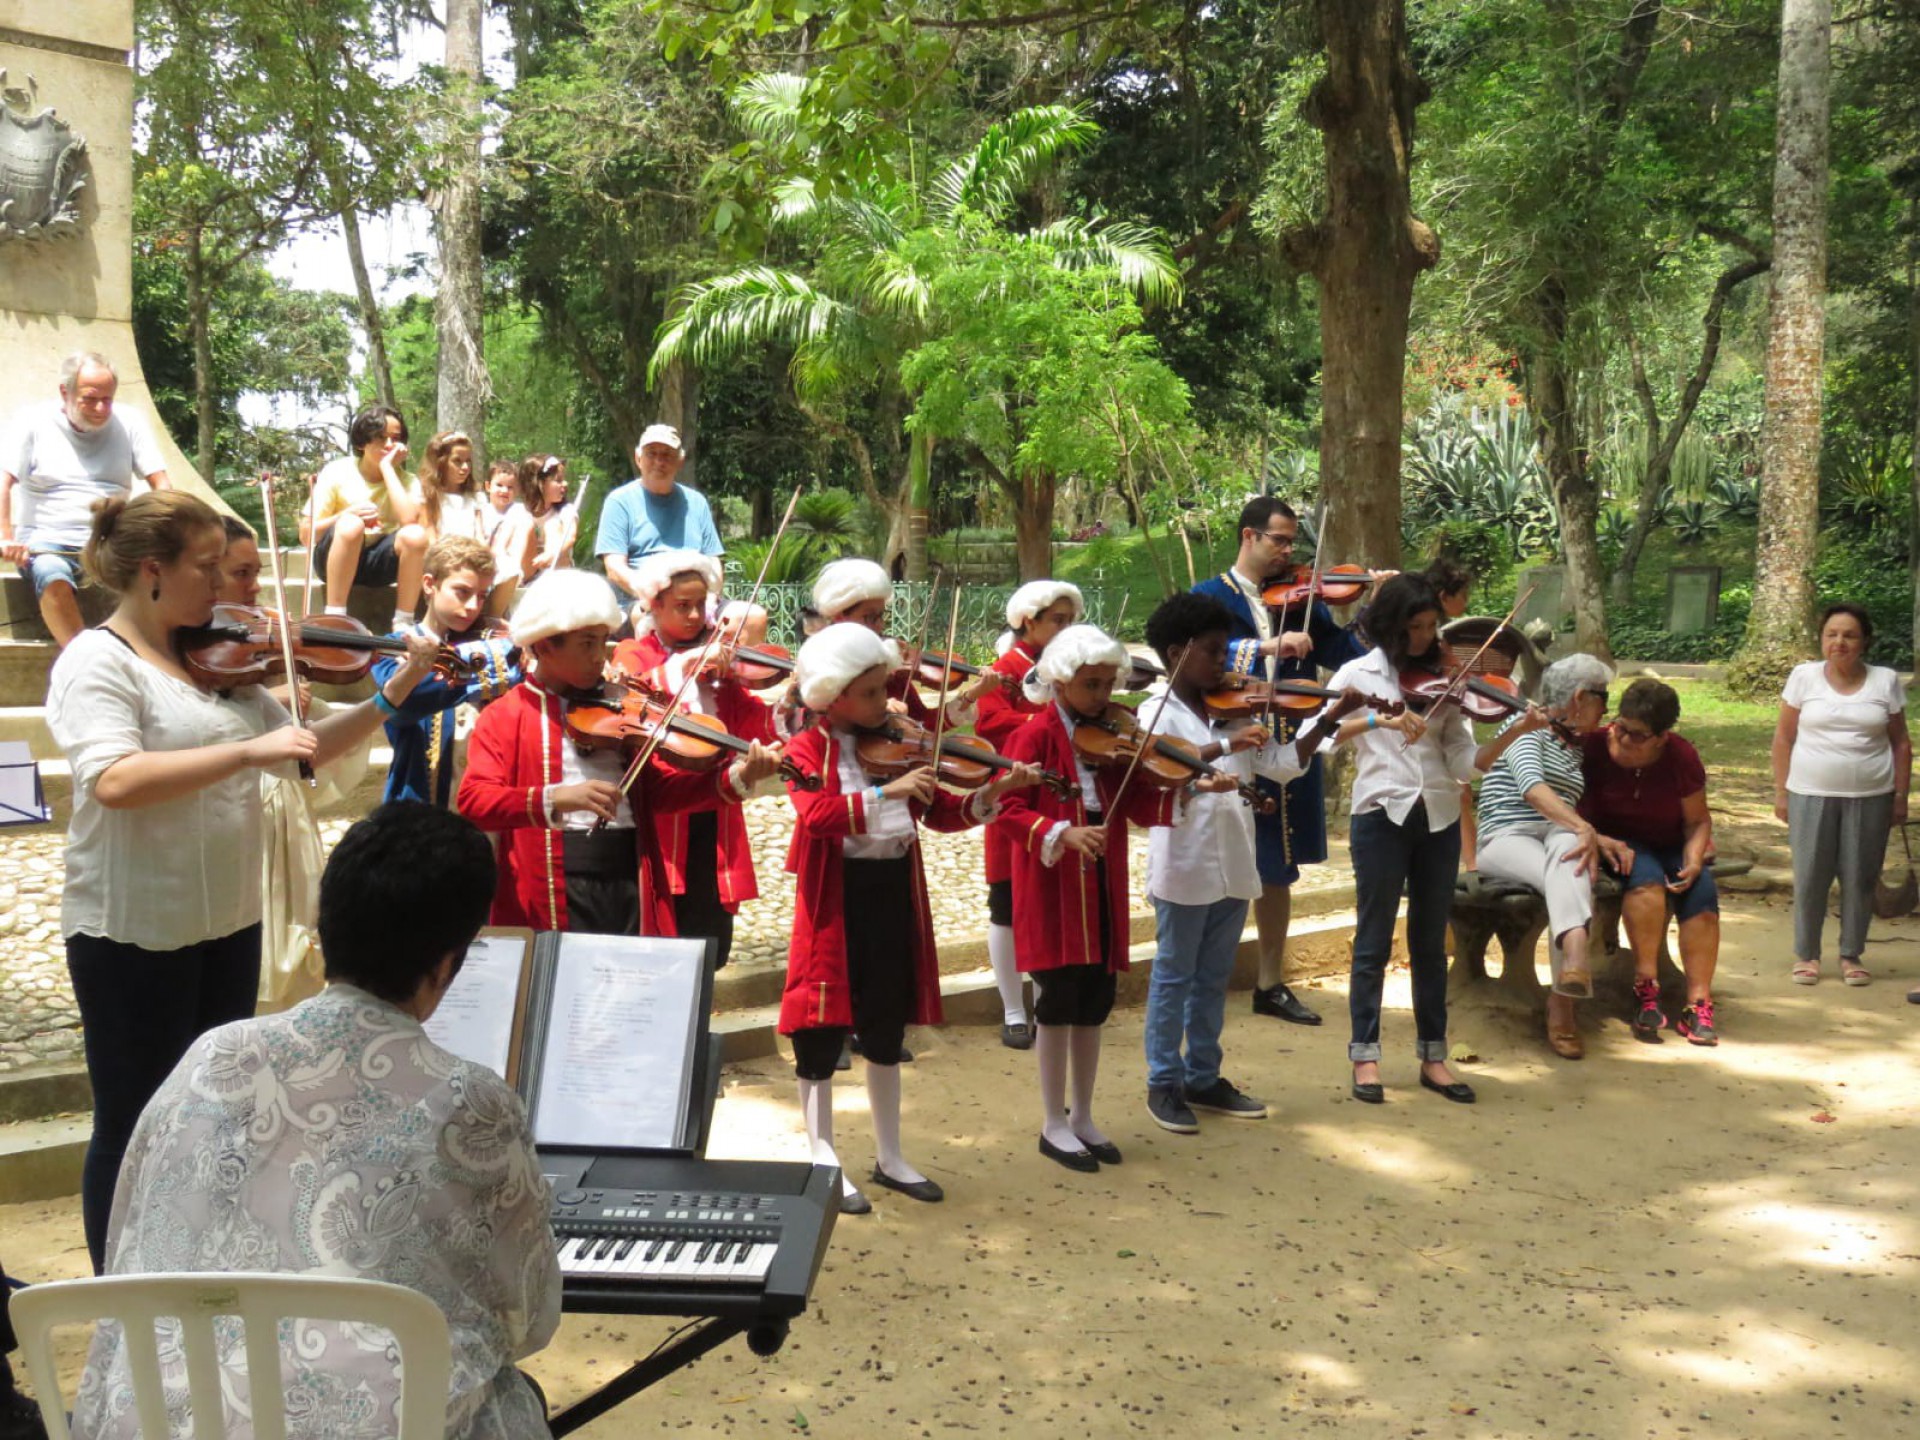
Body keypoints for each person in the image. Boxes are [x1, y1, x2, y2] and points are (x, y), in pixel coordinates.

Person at [73, 803, 562, 1440]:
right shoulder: (473, 1099)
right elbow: (528, 1319)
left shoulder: (209, 1057)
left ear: (326, 931)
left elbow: (129, 1241)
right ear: (447, 963)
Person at [46, 490, 439, 1272]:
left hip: (225, 921)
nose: (223, 588)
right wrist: (244, 755)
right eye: (206, 569)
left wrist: (392, 692)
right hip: (133, 931)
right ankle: (124, 1291)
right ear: (152, 573)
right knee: (134, 1120)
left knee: (214, 1115)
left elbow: (306, 748)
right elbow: (114, 780)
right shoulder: (97, 660)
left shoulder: (214, 664)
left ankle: (199, 1274)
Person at [781, 623, 1039, 1213]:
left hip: (892, 888)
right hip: (836, 897)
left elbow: (944, 812)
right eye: (870, 693)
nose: (885, 704)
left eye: (883, 690)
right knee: (820, 1030)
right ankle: (822, 1159)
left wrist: (996, 792)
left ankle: (891, 1156)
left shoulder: (898, 740)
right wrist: (884, 793)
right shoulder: (805, 748)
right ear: (833, 695)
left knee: (885, 1026)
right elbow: (816, 815)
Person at [1137, 594, 1366, 1137]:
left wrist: (1328, 717)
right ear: (1175, 654)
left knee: (1214, 978)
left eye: (1224, 652)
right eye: (1213, 653)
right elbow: (1161, 772)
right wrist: (1220, 747)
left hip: (1236, 863)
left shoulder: (1234, 707)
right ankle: (1163, 1082)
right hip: (1185, 867)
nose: (1224, 664)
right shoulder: (1154, 712)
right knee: (1174, 976)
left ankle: (1204, 1076)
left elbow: (1282, 765)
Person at [455, 568, 780, 935]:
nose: (600, 658)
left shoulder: (619, 706)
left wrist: (737, 776)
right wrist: (556, 798)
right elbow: (474, 801)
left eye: (602, 642)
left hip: (630, 877)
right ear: (545, 645)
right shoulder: (506, 714)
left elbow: (657, 793)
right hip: (553, 883)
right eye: (587, 644)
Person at [1326, 573, 1536, 1105]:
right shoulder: (1358, 673)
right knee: (1373, 940)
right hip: (1381, 816)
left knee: (1428, 942)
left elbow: (1464, 763)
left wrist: (1512, 731)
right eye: (1416, 628)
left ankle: (1433, 1056)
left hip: (1439, 817)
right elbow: (1323, 736)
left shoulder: (1444, 683)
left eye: (1431, 627)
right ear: (1393, 628)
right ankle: (1365, 1056)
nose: (1427, 639)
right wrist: (1380, 719)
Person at [991, 625, 1178, 1166]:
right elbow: (1006, 809)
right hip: (1052, 880)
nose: (1103, 697)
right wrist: (1058, 831)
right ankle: (1052, 1120)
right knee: (1058, 998)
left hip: (1101, 871)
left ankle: (1084, 1115)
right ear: (1061, 682)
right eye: (1091, 686)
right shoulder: (1033, 736)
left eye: (1107, 684)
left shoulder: (1113, 734)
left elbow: (1137, 801)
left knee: (1095, 999)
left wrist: (1181, 782)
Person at [1193, 497, 1367, 1028]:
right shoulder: (1208, 597)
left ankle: (1271, 981)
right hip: (1235, 743)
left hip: (1296, 744)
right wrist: (1268, 646)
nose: (1289, 552)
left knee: (1279, 867)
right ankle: (1203, 975)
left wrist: (1382, 628)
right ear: (1249, 536)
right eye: (1280, 540)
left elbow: (1344, 652)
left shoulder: (1304, 600)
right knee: (1223, 861)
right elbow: (1196, 656)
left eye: (1294, 542)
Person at [611, 549, 778, 969]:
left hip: (713, 812)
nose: (692, 616)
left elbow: (751, 722)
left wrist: (792, 706)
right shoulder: (635, 653)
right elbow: (627, 698)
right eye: (680, 606)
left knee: (710, 942)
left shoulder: (718, 665)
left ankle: (700, 1028)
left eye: (700, 606)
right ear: (655, 605)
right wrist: (679, 666)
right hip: (664, 817)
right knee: (664, 939)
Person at [1471, 654, 1617, 1060]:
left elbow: (1564, 815)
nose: (1606, 708)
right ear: (1579, 697)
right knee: (1569, 867)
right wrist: (1585, 829)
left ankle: (1568, 977)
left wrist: (1589, 834)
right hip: (1506, 835)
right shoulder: (1524, 729)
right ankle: (1565, 993)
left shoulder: (1571, 746)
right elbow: (1533, 790)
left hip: (1555, 834)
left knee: (1571, 858)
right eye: (1602, 698)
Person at [1772, 603, 1911, 987]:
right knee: (1811, 877)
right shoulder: (1804, 677)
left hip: (1872, 796)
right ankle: (1807, 955)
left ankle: (1851, 954)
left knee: (1860, 877)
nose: (1840, 642)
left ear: (1864, 641)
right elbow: (1784, 737)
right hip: (1809, 794)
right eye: (1832, 634)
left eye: (1849, 635)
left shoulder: (1885, 681)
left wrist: (1901, 795)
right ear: (1821, 639)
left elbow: (1901, 743)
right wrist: (1781, 792)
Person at [1578, 678, 1721, 1045]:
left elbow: (1697, 819)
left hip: (1670, 840)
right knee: (1646, 881)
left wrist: (1692, 859)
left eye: (1638, 735)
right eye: (1621, 727)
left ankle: (1698, 1003)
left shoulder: (1680, 757)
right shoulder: (1591, 748)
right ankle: (1646, 989)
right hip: (1617, 843)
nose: (1624, 739)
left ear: (1661, 736)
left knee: (1701, 891)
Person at [973, 579, 1083, 1049]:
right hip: (1015, 794)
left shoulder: (1066, 667)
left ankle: (1047, 1001)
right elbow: (988, 725)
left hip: (1055, 796)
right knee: (1006, 904)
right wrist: (1043, 722)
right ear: (1028, 622)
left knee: (1045, 900)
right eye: (1056, 620)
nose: (1065, 628)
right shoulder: (1004, 670)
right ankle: (1013, 1009)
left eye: (1068, 619)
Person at [0, 352, 169, 648]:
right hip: (48, 541)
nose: (101, 408)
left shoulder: (129, 421)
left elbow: (162, 484)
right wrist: (5, 537)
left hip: (110, 540)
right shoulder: (33, 421)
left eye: (108, 399)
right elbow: (3, 481)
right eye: (90, 399)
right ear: (65, 392)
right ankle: (83, 657)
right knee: (51, 573)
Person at [372, 536, 522, 808]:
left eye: (482, 596)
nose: (474, 607)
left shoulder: (490, 643)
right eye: (462, 592)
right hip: (420, 802)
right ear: (429, 584)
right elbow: (403, 704)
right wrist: (498, 659)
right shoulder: (394, 647)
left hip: (485, 804)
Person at [808, 557, 1003, 725]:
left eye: (881, 616)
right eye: (870, 617)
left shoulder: (890, 671)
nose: (880, 626)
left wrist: (971, 696)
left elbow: (925, 725)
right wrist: (876, 710)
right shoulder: (819, 664)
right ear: (840, 617)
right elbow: (811, 725)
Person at [299, 405, 430, 631]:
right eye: (381, 438)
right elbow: (306, 535)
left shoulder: (407, 481)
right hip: (335, 558)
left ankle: (403, 621)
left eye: (395, 439)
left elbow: (410, 522)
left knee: (416, 535)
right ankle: (336, 616)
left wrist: (387, 469)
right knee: (350, 525)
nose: (389, 445)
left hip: (379, 563)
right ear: (362, 442)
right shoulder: (337, 471)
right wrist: (344, 515)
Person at [595, 424, 723, 601]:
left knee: (752, 617)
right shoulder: (619, 502)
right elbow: (614, 567)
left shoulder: (697, 502)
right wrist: (650, 594)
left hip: (696, 600)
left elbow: (713, 561)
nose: (659, 461)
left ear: (680, 461)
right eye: (651, 453)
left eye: (667, 455)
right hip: (643, 600)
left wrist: (711, 597)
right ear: (638, 458)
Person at [505, 454, 578, 585]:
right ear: (539, 484)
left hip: (557, 569)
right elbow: (504, 541)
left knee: (552, 525)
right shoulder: (518, 511)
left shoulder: (566, 510)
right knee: (525, 525)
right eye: (558, 480)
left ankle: (551, 582)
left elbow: (570, 538)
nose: (565, 484)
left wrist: (551, 553)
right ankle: (513, 577)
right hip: (529, 570)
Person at [420, 429, 487, 543]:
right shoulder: (427, 494)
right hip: (442, 553)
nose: (465, 467)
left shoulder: (475, 496)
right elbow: (429, 531)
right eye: (457, 461)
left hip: (470, 553)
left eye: (468, 461)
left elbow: (480, 534)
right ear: (441, 462)